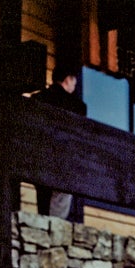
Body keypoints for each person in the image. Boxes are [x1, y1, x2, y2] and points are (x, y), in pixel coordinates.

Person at [32, 63, 87, 221]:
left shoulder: (38, 98)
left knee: (43, 205)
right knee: (59, 213)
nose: (75, 84)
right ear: (68, 79)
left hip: (39, 161)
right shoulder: (76, 106)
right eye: (74, 80)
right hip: (64, 163)